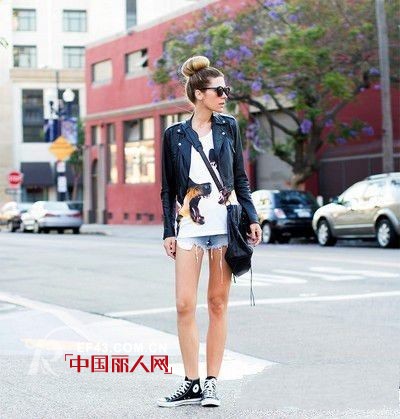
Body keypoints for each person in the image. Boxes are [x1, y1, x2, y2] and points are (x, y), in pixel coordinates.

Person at [158, 55, 262, 408]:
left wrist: (252, 216)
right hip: (189, 227)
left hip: (224, 228)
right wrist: (168, 231)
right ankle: (191, 383)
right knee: (184, 305)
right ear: (200, 94)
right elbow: (167, 189)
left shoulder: (228, 126)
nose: (225, 95)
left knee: (217, 304)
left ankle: (212, 382)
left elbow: (241, 178)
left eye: (226, 90)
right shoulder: (174, 135)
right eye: (219, 90)